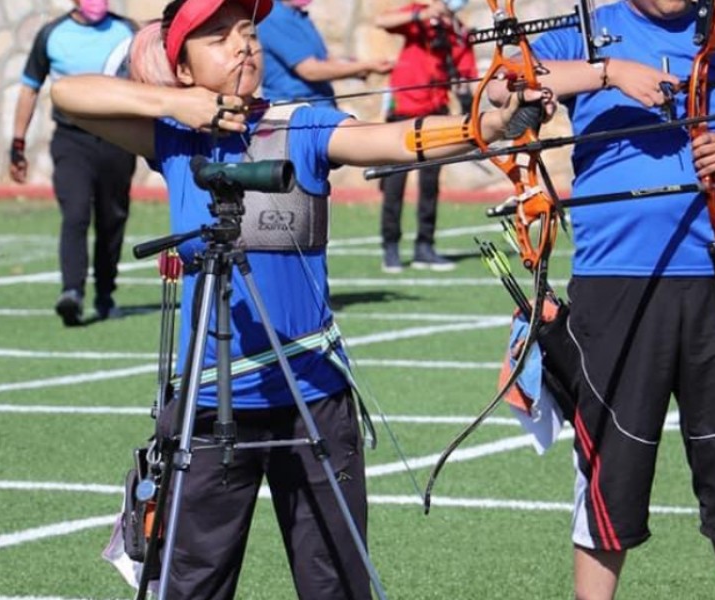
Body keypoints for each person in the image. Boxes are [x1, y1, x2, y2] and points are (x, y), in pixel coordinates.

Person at [50, 0, 553, 597]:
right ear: (182, 68)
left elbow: (396, 140)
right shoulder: (173, 138)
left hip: (314, 396)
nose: (243, 45)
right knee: (190, 585)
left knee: (335, 582)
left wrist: (487, 128)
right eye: (217, 38)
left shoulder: (301, 123)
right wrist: (173, 104)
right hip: (210, 406)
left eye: (247, 32)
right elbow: (67, 95)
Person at [489, 1, 715, 598]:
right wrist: (606, 73)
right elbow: (496, 107)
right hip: (616, 284)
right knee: (612, 470)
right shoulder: (580, 32)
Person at [9, 0, 137, 326]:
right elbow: (29, 90)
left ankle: (105, 295)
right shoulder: (52, 34)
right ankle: (72, 292)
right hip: (71, 141)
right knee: (76, 212)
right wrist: (18, 144)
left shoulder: (127, 32)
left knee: (112, 218)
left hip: (116, 139)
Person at [374, 0, 477, 273]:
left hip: (435, 115)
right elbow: (382, 21)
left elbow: (466, 74)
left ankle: (424, 247)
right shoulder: (420, 17)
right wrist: (423, 14)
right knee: (394, 184)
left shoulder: (459, 32)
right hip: (402, 112)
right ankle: (390, 247)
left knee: (429, 185)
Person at [256, 0, 393, 107]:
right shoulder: (275, 16)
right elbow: (310, 70)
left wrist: (355, 66)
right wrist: (364, 66)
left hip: (319, 104)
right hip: (295, 109)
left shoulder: (299, 16)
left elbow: (325, 60)